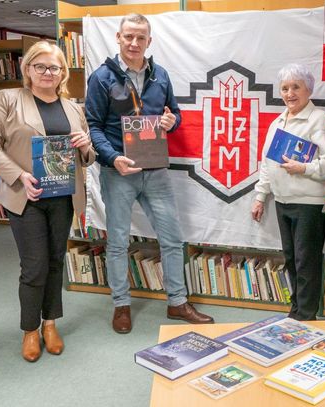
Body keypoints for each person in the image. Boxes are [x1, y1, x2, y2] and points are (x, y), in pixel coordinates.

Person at [86, 13, 213, 334]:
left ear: (149, 41)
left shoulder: (162, 76)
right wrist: (113, 158)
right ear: (118, 37)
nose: (134, 43)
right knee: (117, 242)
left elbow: (176, 114)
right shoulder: (101, 77)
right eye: (128, 36)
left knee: (172, 239)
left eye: (140, 37)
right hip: (118, 172)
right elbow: (94, 127)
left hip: (156, 170)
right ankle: (121, 305)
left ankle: (177, 302)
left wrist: (173, 123)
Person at [0, 41, 95, 362]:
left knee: (55, 262)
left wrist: (86, 144)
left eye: (55, 68)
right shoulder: (8, 99)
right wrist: (19, 175)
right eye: (41, 66)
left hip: (62, 196)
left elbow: (86, 157)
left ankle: (50, 324)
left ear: (63, 72)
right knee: (34, 265)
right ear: (28, 69)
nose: (48, 73)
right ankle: (30, 330)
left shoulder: (74, 107)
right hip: (25, 196)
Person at [251, 64, 325, 320]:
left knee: (306, 262)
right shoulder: (278, 122)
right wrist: (260, 196)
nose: (290, 93)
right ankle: (296, 310)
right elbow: (267, 165)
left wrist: (304, 168)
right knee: (291, 260)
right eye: (285, 88)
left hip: (309, 204)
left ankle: (306, 316)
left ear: (308, 89)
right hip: (282, 201)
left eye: (296, 87)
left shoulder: (319, 119)